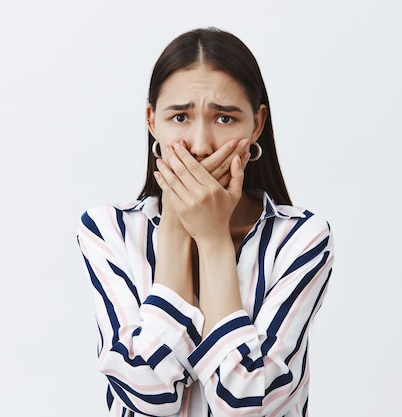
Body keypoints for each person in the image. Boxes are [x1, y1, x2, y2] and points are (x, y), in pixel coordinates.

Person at [76, 27, 334, 417]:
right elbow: (148, 395)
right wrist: (178, 228)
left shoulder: (300, 238)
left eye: (225, 119)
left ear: (257, 124)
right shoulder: (108, 230)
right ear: (152, 122)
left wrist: (213, 240)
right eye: (179, 116)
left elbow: (242, 400)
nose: (200, 145)